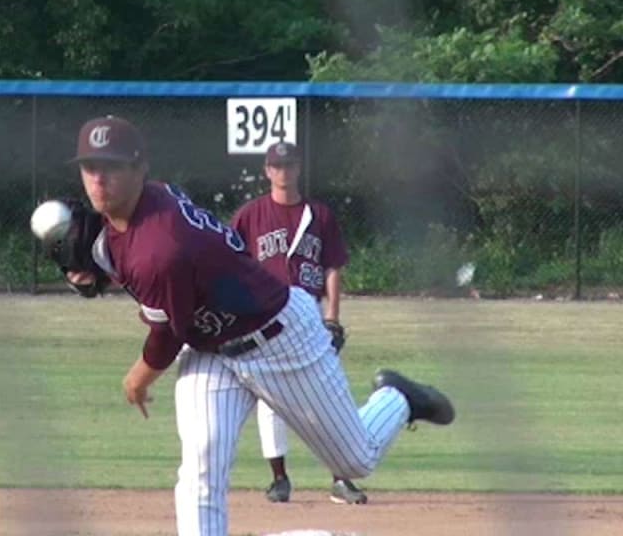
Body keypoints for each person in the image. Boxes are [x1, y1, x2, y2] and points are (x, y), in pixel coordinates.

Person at [63, 115, 455, 536]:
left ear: (140, 168)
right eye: (90, 167)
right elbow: (137, 266)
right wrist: (99, 268)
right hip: (211, 351)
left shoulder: (161, 246)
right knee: (201, 465)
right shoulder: (143, 207)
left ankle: (397, 397)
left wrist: (137, 381)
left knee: (355, 460)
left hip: (281, 338)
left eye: (113, 166)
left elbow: (165, 335)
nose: (99, 178)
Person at [231, 140, 364, 505]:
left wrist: (333, 318)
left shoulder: (318, 215)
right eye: (277, 166)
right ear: (267, 171)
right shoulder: (249, 215)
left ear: (298, 169)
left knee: (328, 399)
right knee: (269, 400)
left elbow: (332, 266)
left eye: (289, 165)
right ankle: (279, 479)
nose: (283, 172)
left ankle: (341, 478)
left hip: (308, 319)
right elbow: (229, 263)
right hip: (265, 318)